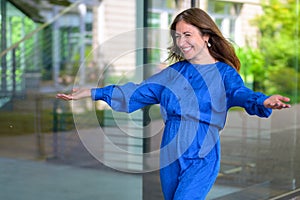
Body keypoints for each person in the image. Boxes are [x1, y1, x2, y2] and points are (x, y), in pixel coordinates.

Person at [56, 8, 291, 200]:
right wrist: (94, 92)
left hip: (202, 146)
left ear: (206, 36)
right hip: (171, 146)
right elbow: (137, 92)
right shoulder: (172, 74)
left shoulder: (223, 73)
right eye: (177, 36)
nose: (181, 42)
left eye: (187, 34)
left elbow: (240, 93)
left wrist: (263, 100)